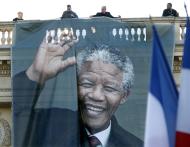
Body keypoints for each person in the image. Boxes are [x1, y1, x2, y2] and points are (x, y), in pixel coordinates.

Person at [13, 32, 143, 147]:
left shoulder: (136, 145)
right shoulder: (49, 125)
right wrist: (35, 74)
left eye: (109, 88)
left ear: (124, 96)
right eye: (87, 84)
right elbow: (13, 118)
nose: (96, 95)